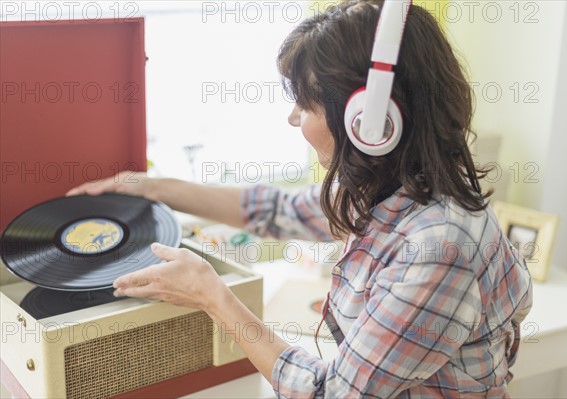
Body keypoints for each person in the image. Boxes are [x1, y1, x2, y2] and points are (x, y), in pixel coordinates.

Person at [68, 1, 533, 397]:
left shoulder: (438, 248)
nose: (294, 119)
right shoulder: (392, 190)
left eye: (307, 105)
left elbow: (331, 393)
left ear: (370, 124)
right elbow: (279, 211)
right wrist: (150, 187)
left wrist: (214, 296)